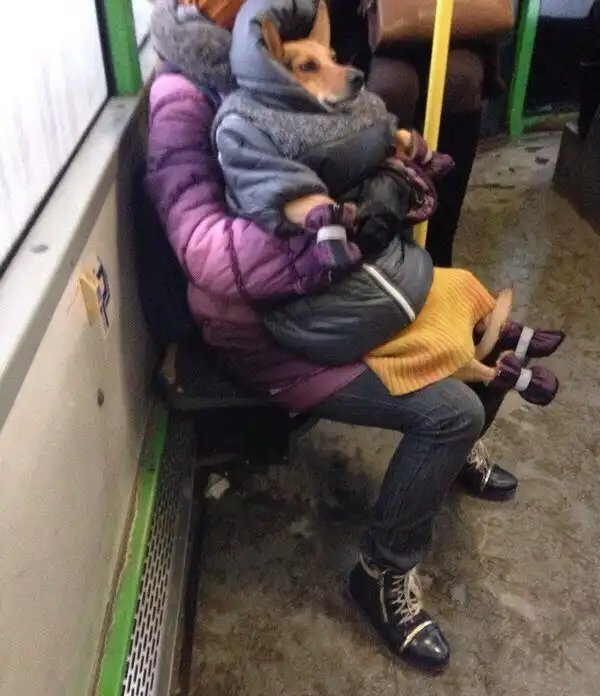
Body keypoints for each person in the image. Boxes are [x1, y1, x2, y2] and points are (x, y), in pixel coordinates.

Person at [147, 0, 519, 674]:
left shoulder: (290, 42)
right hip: (266, 328)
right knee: (451, 413)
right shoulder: (183, 97)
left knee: (480, 309)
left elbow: (345, 143)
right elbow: (203, 249)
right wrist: (338, 236)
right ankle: (380, 572)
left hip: (341, 289)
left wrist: (390, 174)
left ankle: (444, 461)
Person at [328, 0, 504, 268]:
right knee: (392, 86)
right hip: (373, 31)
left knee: (461, 80)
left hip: (457, 27)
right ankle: (380, 239)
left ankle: (439, 246)